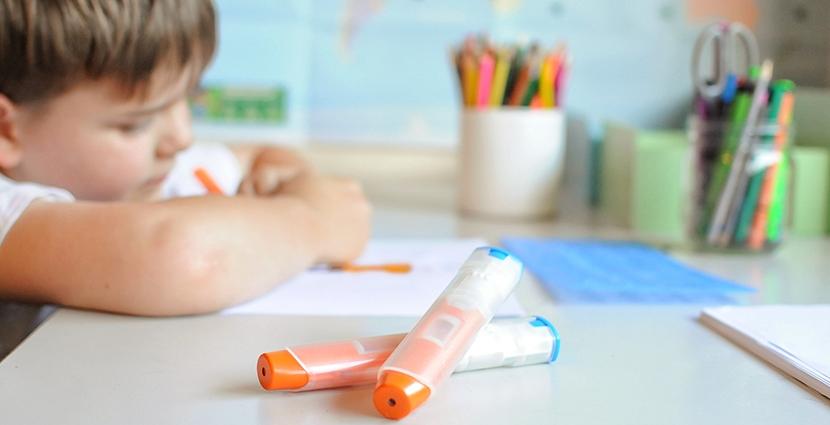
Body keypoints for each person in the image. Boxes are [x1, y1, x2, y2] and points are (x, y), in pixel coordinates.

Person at [0, 0, 371, 317]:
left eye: (187, 98)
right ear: (7, 131)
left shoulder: (155, 171)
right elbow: (178, 256)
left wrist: (288, 179)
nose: (182, 138)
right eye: (137, 123)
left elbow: (260, 157)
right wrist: (313, 219)